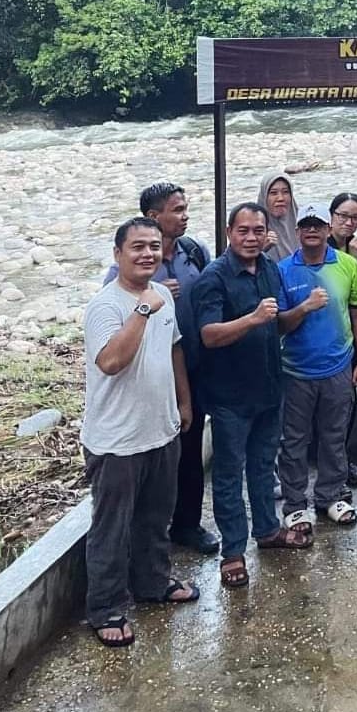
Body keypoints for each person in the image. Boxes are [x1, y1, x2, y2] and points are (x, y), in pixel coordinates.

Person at [82, 217, 198, 648]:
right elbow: (112, 361)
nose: (147, 253)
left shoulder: (161, 299)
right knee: (111, 528)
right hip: (116, 441)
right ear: (118, 255)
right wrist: (145, 307)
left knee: (155, 519)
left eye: (153, 246)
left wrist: (183, 404)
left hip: (161, 431)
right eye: (137, 247)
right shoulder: (106, 305)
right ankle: (107, 607)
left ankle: (153, 583)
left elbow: (174, 350)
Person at [192, 201, 312, 591]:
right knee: (228, 475)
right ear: (229, 233)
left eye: (258, 231)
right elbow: (209, 335)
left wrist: (300, 312)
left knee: (263, 467)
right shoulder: (214, 278)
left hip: (268, 388)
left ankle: (267, 529)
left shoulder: (269, 269)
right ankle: (233, 552)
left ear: (266, 234)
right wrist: (253, 319)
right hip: (229, 396)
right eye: (243, 231)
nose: (251, 238)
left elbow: (276, 326)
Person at [103, 182, 219, 555]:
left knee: (188, 448)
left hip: (192, 366)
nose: (185, 216)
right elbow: (113, 331)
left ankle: (187, 524)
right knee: (152, 456)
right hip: (147, 377)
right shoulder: (126, 271)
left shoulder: (194, 252)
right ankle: (148, 534)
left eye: (186, 209)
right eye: (178, 210)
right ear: (154, 217)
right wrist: (152, 291)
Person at [276, 205, 357, 527]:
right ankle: (294, 504)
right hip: (295, 372)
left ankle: (330, 496)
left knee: (334, 436)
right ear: (298, 231)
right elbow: (278, 325)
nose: (311, 231)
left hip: (338, 368)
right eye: (305, 226)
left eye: (317, 225)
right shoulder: (283, 269)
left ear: (329, 229)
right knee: (293, 442)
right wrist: (304, 307)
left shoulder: (347, 265)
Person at [328, 192, 357, 489]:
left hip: (348, 343)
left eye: (355, 217)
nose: (348, 222)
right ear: (330, 216)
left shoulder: (356, 250)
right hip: (321, 343)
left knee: (349, 406)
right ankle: (330, 472)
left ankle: (342, 464)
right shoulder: (320, 248)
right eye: (343, 215)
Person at [258, 170, 299, 260]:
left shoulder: (304, 228)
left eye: (285, 192)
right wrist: (259, 250)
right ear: (264, 197)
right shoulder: (251, 231)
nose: (280, 198)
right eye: (273, 193)